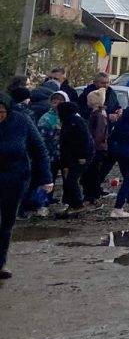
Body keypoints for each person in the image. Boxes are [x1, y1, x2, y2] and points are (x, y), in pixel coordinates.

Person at [0, 92, 52, 280]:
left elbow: (39, 149)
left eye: (2, 112)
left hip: (15, 179)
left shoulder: (21, 122)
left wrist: (46, 178)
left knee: (6, 223)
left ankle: (1, 263)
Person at [55, 99, 93, 216]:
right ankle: (72, 203)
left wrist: (83, 156)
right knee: (68, 181)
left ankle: (77, 204)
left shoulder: (76, 122)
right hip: (69, 157)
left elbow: (84, 140)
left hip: (78, 157)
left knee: (71, 180)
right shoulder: (68, 122)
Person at [82, 88, 112, 204]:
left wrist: (92, 145)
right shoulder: (98, 114)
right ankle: (92, 193)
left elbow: (99, 133)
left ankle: (92, 194)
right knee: (93, 172)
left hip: (97, 148)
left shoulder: (98, 115)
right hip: (98, 147)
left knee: (92, 172)